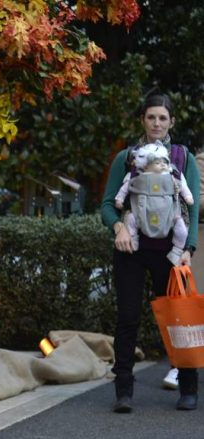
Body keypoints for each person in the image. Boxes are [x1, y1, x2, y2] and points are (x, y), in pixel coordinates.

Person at [101, 93, 200, 413]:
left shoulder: (182, 157)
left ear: (171, 121)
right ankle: (124, 391)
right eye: (151, 117)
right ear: (142, 120)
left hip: (170, 255)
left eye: (162, 118)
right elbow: (107, 206)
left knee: (178, 320)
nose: (156, 123)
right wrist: (119, 228)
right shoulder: (126, 158)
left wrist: (189, 249)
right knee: (127, 319)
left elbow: (192, 207)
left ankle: (188, 388)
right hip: (133, 250)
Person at [114, 141, 194, 265]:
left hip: (169, 217)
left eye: (164, 162)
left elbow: (182, 185)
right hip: (141, 215)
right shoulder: (136, 177)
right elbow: (126, 187)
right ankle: (133, 239)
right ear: (145, 166)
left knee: (181, 230)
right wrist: (119, 199)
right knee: (130, 219)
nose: (162, 165)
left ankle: (177, 250)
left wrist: (188, 196)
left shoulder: (173, 175)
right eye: (157, 163)